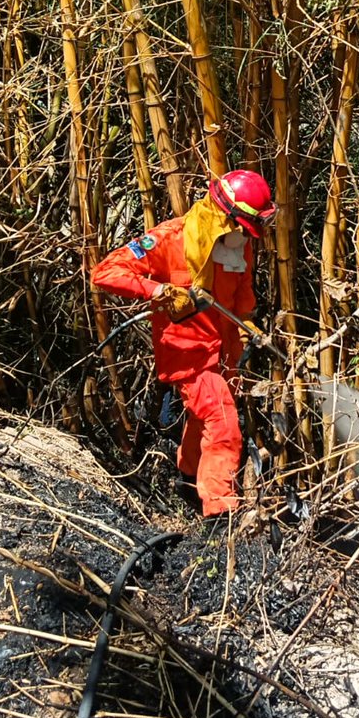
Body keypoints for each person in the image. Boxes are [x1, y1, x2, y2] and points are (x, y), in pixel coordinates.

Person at [91, 170, 276, 517]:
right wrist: (158, 291)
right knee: (221, 421)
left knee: (206, 415)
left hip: (226, 350)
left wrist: (247, 323)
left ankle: (189, 478)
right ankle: (221, 512)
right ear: (227, 213)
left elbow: (241, 296)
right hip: (187, 351)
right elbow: (105, 272)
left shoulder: (240, 244)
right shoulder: (171, 238)